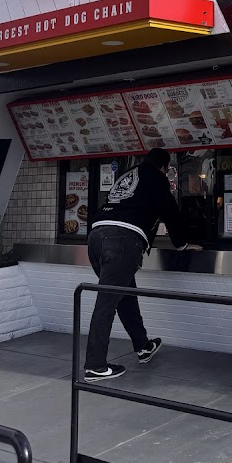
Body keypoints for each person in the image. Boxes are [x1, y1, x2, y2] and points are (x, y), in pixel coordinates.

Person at [84, 147, 202, 382]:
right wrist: (182, 244)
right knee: (107, 301)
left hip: (96, 236)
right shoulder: (156, 177)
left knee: (125, 295)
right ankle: (95, 366)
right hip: (122, 240)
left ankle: (143, 346)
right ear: (164, 167)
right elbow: (170, 210)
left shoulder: (129, 174)